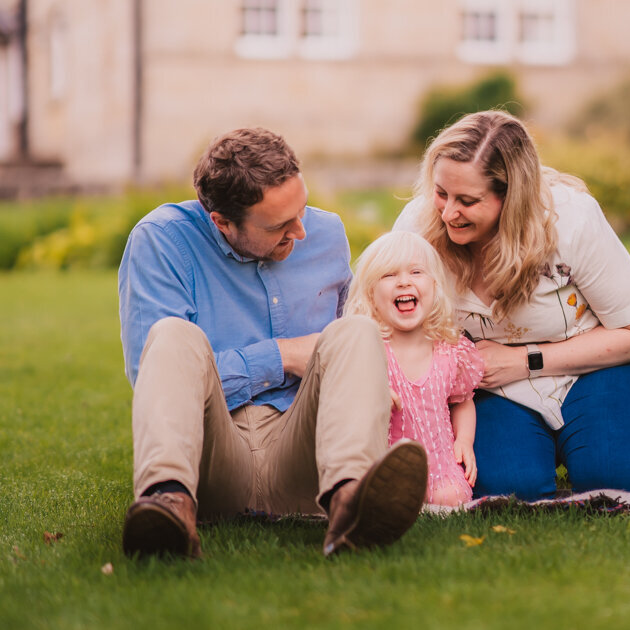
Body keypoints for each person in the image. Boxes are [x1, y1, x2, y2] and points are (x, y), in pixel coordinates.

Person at [118, 127, 428, 559]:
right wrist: (283, 355)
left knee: (354, 331)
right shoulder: (163, 242)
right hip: (211, 459)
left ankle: (350, 505)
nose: (301, 232)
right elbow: (153, 381)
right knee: (171, 336)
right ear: (222, 222)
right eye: (280, 225)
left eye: (301, 210)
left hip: (304, 458)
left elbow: (346, 355)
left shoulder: (326, 233)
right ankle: (170, 509)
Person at [394, 110, 630, 504]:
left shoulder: (572, 219)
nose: (447, 212)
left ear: (512, 196)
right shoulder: (418, 228)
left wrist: (524, 360)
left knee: (619, 485)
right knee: (509, 490)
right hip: (490, 389)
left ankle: (605, 440)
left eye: (468, 201)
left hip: (597, 369)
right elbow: (382, 321)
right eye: (441, 192)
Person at [343, 231, 484, 507]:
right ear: (371, 295)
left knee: (451, 497)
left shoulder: (450, 351)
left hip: (441, 466)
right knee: (387, 497)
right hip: (385, 466)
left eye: (416, 272)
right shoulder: (370, 350)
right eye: (389, 275)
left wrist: (465, 440)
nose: (404, 281)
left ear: (434, 286)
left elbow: (462, 401)